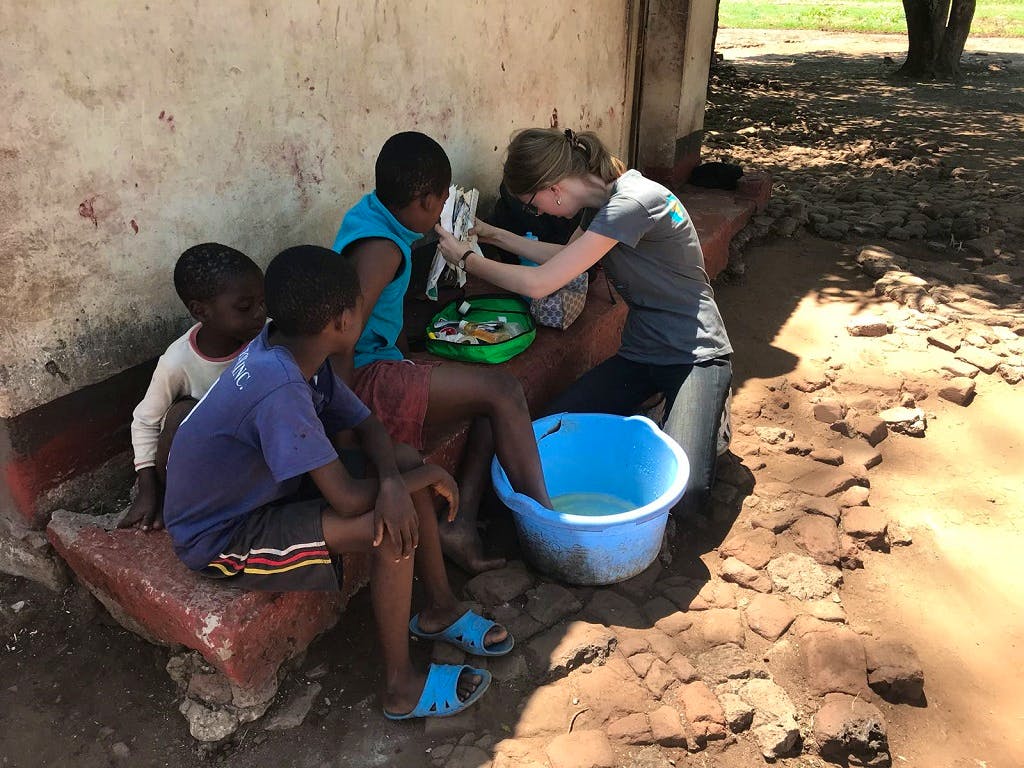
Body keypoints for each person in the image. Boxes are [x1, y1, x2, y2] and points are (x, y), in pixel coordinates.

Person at [162, 245, 510, 719]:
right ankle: (399, 687)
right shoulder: (280, 385)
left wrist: (397, 477)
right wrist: (417, 479)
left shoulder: (293, 346)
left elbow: (366, 424)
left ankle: (440, 609)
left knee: (402, 464)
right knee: (391, 528)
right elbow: (347, 500)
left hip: (267, 490)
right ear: (344, 322)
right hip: (224, 533)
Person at [435, 128, 733, 518]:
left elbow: (542, 283)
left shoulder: (632, 203)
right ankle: (661, 409)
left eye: (533, 203)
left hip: (696, 353)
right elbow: (564, 255)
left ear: (553, 188)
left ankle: (706, 409)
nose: (538, 213)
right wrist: (493, 234)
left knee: (685, 499)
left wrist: (467, 260)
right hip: (641, 354)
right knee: (549, 429)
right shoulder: (601, 205)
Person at [331, 131, 552, 573]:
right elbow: (341, 338)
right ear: (425, 201)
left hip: (377, 364)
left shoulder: (376, 215)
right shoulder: (381, 250)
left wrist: (407, 357)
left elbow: (378, 321)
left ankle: (460, 524)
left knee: (494, 404)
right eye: (442, 199)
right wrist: (343, 428)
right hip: (361, 380)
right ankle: (549, 522)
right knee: (504, 392)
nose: (444, 207)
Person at [119, 243, 266, 531]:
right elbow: (145, 422)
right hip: (202, 467)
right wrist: (148, 490)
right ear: (201, 311)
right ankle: (177, 503)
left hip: (251, 456)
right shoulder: (178, 362)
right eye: (246, 307)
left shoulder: (268, 339)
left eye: (263, 302)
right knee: (179, 414)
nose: (260, 314)